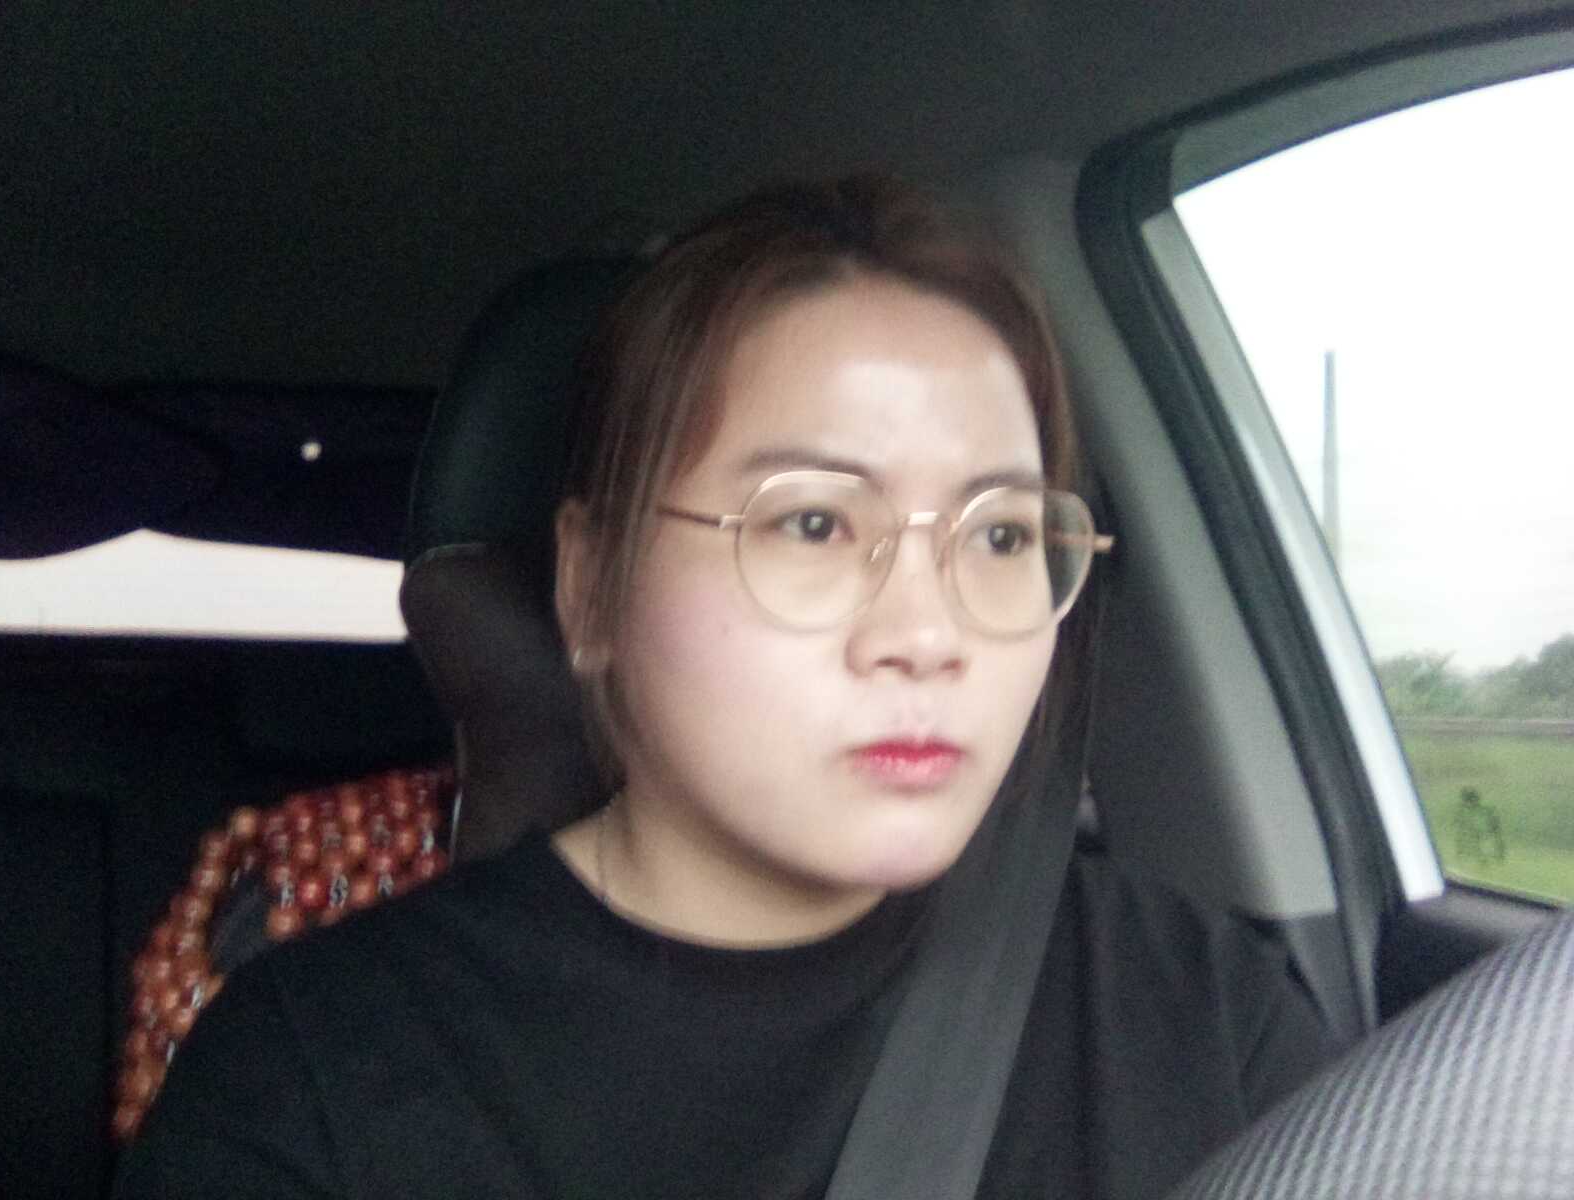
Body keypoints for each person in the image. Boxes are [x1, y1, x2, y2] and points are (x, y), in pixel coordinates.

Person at [114, 176, 1336, 1199]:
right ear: (592, 589)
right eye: (812, 523)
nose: (928, 633)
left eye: (1001, 536)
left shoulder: (1205, 1016)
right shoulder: (313, 1089)